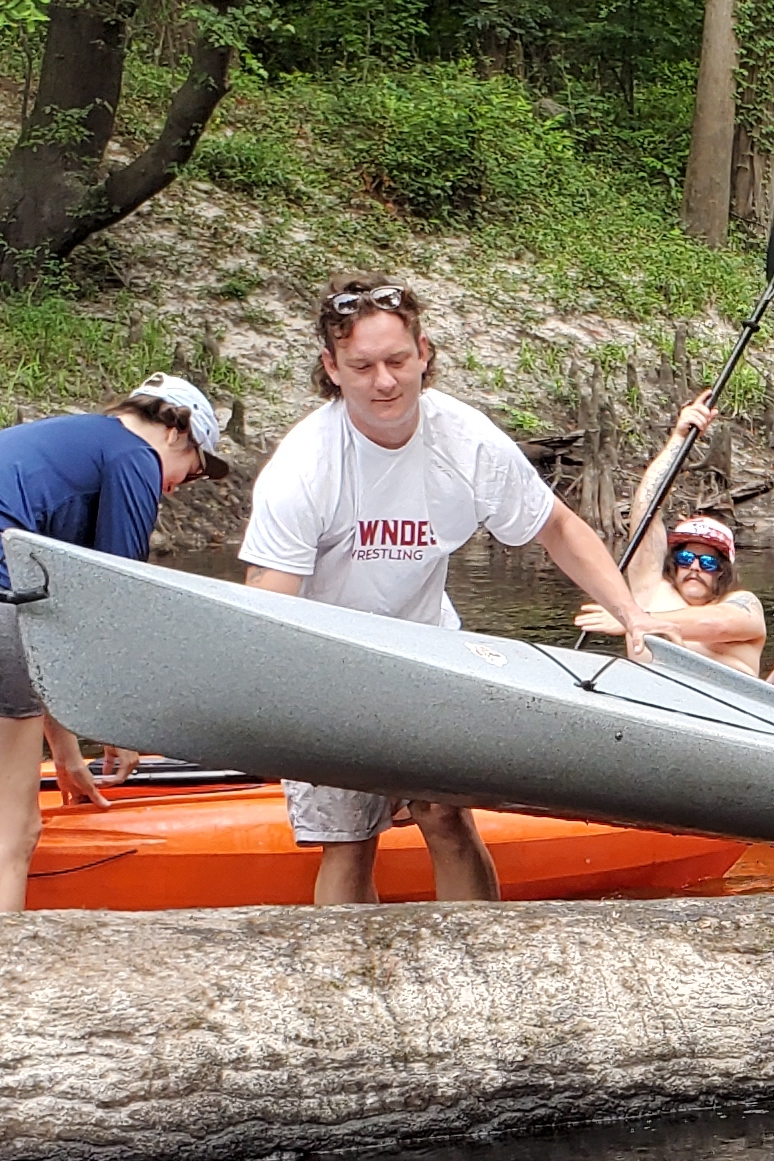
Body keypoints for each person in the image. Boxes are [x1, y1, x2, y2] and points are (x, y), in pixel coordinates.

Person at [240, 278, 657, 907]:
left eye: (397, 361)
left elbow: (559, 528)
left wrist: (632, 616)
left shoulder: (466, 439)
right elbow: (267, 605)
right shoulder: (304, 466)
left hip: (428, 651)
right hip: (326, 663)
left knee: (447, 814)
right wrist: (266, 707)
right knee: (349, 840)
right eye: (362, 366)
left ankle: (482, 969)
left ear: (424, 353)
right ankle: (350, 984)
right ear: (332, 368)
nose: (384, 382)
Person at [0, 373, 228, 915]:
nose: (176, 486)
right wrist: (119, 721)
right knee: (7, 836)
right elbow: (110, 599)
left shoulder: (61, 441)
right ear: (177, 431)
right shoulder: (134, 455)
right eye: (191, 471)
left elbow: (47, 616)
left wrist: (64, 751)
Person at [575, 393, 774, 706]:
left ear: (722, 572)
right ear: (676, 563)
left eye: (708, 562)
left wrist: (635, 620)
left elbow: (719, 624)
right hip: (660, 709)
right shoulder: (651, 591)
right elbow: (645, 509)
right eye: (687, 558)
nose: (695, 567)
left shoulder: (742, 604)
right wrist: (678, 439)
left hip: (743, 719)